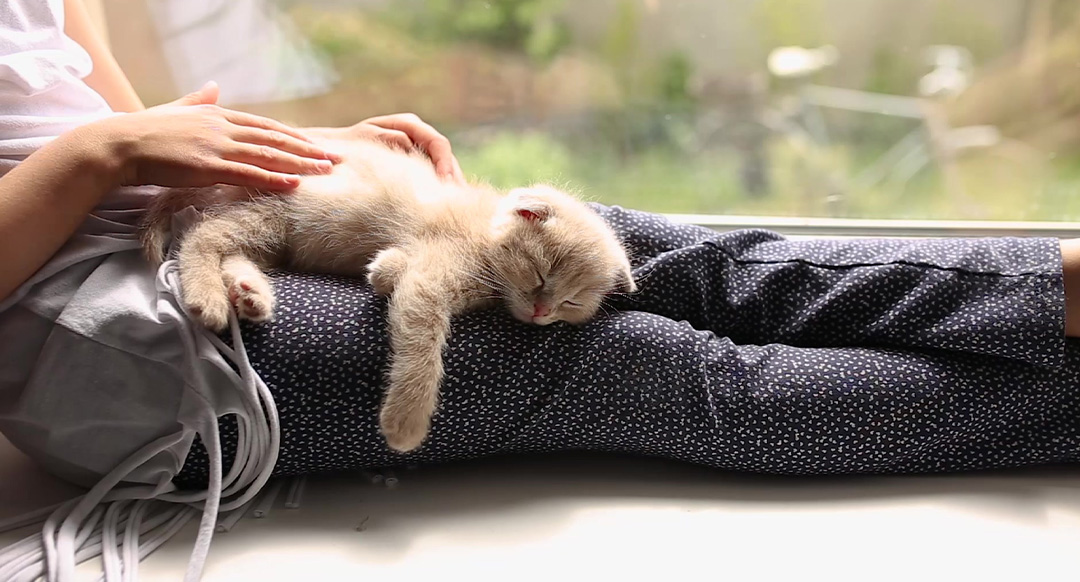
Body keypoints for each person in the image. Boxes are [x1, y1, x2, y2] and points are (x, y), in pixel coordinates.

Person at [4, 1, 1080, 580]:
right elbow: (103, 143)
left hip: (173, 218)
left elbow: (116, 115)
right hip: (108, 338)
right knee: (638, 366)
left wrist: (292, 156)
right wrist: (106, 155)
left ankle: (1061, 285)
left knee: (654, 255)